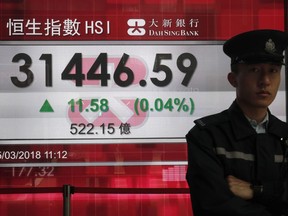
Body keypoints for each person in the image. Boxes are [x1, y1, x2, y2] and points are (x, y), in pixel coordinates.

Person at [186, 29, 288, 216]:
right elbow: (215, 207)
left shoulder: (285, 135)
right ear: (233, 79)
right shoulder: (207, 136)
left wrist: (256, 190)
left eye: (273, 71)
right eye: (254, 70)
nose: (265, 80)